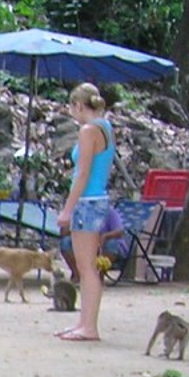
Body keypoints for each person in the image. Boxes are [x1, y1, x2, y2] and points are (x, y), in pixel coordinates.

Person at [56, 82, 116, 343]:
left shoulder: (89, 130)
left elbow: (82, 174)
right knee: (86, 265)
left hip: (87, 201)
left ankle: (89, 326)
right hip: (96, 198)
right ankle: (83, 322)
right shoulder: (106, 126)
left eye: (72, 108)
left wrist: (67, 209)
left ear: (78, 105)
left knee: (86, 266)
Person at [58, 204, 130, 278]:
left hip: (108, 245)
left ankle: (100, 276)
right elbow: (63, 233)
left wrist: (104, 236)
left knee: (111, 243)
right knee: (65, 242)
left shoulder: (109, 212)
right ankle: (77, 274)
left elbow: (120, 232)